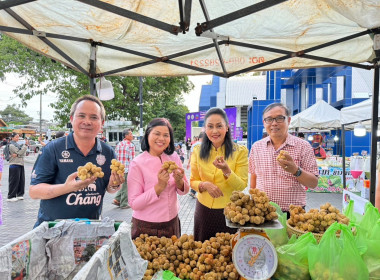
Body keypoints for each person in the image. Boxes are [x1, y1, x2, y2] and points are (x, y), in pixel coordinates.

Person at [29, 95, 124, 228]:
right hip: (52, 230)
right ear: (72, 119)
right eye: (81, 116)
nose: (87, 121)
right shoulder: (53, 149)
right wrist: (67, 188)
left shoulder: (108, 152)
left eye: (94, 117)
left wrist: (115, 184)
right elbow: (34, 191)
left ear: (102, 123)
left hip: (89, 231)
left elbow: (109, 188)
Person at [249, 103, 319, 218]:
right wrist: (252, 202)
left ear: (289, 120)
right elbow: (254, 176)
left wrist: (295, 170)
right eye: (269, 119)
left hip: (293, 214)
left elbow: (313, 183)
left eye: (280, 118)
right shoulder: (256, 147)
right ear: (264, 123)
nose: (274, 123)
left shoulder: (303, 146)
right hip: (262, 211)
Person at [190, 108, 248, 242]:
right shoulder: (198, 150)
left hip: (230, 212)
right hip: (203, 211)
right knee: (203, 250)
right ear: (205, 129)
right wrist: (204, 185)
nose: (215, 131)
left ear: (227, 128)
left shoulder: (240, 151)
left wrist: (227, 171)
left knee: (226, 253)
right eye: (210, 126)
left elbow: (241, 185)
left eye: (219, 126)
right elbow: (193, 181)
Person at [127, 118, 189, 239]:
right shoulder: (137, 163)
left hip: (172, 223)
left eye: (166, 135)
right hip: (146, 227)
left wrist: (179, 181)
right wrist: (158, 188)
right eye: (157, 134)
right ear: (148, 134)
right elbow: (134, 203)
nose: (161, 138)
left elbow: (185, 190)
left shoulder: (174, 157)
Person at [112, 128, 135, 209]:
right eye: (131, 134)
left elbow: (115, 156)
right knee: (126, 186)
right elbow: (132, 160)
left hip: (119, 169)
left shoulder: (119, 144)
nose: (132, 136)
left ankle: (117, 199)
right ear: (126, 136)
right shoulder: (131, 145)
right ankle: (124, 204)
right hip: (127, 169)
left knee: (122, 185)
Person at [7, 133, 29, 202]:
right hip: (14, 164)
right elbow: (20, 152)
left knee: (21, 180)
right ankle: (11, 196)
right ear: (12, 138)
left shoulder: (18, 145)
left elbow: (22, 154)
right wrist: (25, 146)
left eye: (18, 137)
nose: (18, 138)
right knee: (14, 181)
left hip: (21, 164)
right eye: (16, 137)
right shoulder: (11, 145)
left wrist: (19, 154)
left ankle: (20, 194)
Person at [187, 132, 205, 198]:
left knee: (195, 177)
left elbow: (191, 154)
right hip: (201, 164)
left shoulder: (194, 145)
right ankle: (196, 192)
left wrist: (189, 163)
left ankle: (192, 192)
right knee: (201, 178)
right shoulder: (204, 145)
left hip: (194, 163)